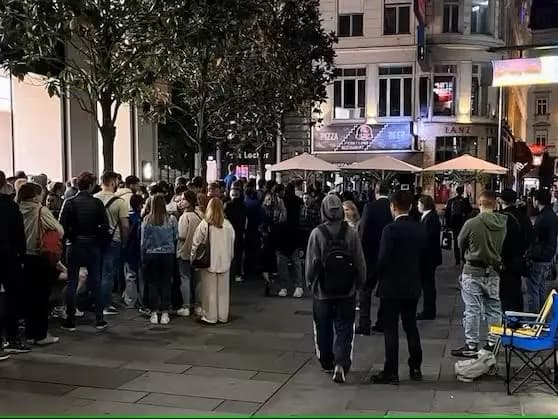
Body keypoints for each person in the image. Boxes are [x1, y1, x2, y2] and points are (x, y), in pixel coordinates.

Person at [305, 194, 366, 384]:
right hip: (347, 291)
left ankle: (326, 361)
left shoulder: (317, 233)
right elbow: (359, 261)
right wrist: (360, 283)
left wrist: (310, 283)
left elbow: (311, 262)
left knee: (323, 328)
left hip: (322, 291)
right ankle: (341, 362)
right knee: (344, 327)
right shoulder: (351, 233)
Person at [372, 191, 426, 384]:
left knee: (390, 329)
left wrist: (376, 277)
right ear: (411, 206)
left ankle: (391, 370)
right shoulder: (420, 228)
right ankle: (416, 367)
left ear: (393, 206)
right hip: (412, 285)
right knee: (411, 326)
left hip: (391, 286)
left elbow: (383, 258)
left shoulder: (390, 230)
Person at [451, 190, 507, 358]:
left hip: (473, 270)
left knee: (472, 309)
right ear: (495, 204)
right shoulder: (503, 223)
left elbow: (460, 242)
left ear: (480, 203)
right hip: (493, 271)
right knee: (494, 309)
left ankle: (471, 344)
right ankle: (493, 343)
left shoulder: (472, 223)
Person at [59, 172, 109, 331]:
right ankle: (99, 318)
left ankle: (70, 319)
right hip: (93, 245)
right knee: (96, 282)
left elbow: (61, 226)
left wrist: (69, 238)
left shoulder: (69, 202)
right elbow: (105, 226)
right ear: (91, 185)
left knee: (72, 282)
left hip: (74, 245)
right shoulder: (97, 203)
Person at [18, 182, 64, 346]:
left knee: (29, 297)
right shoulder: (40, 210)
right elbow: (59, 230)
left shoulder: (17, 208)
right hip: (40, 256)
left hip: (22, 257)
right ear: (36, 195)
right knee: (41, 297)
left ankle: (30, 333)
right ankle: (41, 335)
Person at [191, 198, 235, 324]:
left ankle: (210, 316)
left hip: (209, 262)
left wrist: (193, 257)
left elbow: (196, 243)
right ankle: (223, 315)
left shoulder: (205, 224)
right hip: (225, 262)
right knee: (223, 292)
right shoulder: (228, 225)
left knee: (209, 291)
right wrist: (230, 258)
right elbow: (232, 244)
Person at [357, 183, 393, 335]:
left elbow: (364, 231)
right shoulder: (393, 207)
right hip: (388, 255)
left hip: (370, 254)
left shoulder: (369, 207)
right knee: (385, 290)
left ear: (376, 192)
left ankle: (364, 324)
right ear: (389, 192)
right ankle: (382, 322)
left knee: (365, 290)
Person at [94, 171, 130, 315]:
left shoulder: (94, 198)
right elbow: (125, 226)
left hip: (95, 241)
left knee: (96, 272)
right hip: (113, 240)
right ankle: (105, 305)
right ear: (113, 182)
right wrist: (124, 241)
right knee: (108, 273)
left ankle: (95, 301)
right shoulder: (119, 202)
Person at [0, 171, 26, 356]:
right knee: (11, 299)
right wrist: (21, 257)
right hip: (8, 258)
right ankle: (12, 338)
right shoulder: (9, 206)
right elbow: (19, 235)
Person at [141, 194, 178, 325]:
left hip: (151, 254)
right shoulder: (171, 219)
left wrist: (143, 256)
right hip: (168, 254)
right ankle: (165, 313)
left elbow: (143, 241)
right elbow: (176, 237)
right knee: (166, 283)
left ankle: (154, 313)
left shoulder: (147, 220)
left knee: (152, 284)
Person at [499, 189, 534, 312]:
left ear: (501, 200)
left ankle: (509, 322)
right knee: (516, 290)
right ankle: (517, 317)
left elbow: (501, 241)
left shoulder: (502, 217)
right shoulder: (523, 217)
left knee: (506, 294)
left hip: (506, 261)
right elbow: (531, 237)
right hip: (520, 259)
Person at [525, 189, 558, 313]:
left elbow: (534, 237)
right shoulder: (552, 215)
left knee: (533, 289)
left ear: (537, 200)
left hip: (538, 256)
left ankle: (535, 318)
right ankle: (542, 317)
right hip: (548, 256)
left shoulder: (542, 217)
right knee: (541, 288)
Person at [177, 190, 204, 317]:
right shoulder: (200, 215)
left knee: (185, 278)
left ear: (190, 201)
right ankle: (198, 305)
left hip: (185, 251)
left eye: (183, 199)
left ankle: (186, 306)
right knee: (198, 280)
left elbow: (182, 235)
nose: (181, 202)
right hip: (198, 252)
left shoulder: (184, 217)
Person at [416, 195, 442, 320]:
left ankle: (429, 310)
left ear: (424, 204)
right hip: (430, 257)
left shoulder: (430, 218)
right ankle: (428, 309)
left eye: (419, 204)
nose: (417, 206)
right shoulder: (429, 217)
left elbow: (427, 239)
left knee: (428, 285)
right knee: (428, 284)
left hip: (428, 257)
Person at [276, 183, 304, 298]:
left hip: (283, 234)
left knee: (282, 262)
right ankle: (298, 286)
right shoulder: (298, 201)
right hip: (295, 233)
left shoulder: (282, 201)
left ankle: (284, 287)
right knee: (296, 262)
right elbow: (301, 217)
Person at [122, 194, 144, 310]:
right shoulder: (144, 217)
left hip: (129, 249)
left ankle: (130, 300)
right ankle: (142, 300)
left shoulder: (128, 217)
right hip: (141, 250)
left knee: (130, 276)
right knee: (141, 276)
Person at [445, 186, 473, 265]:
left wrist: (447, 225)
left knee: (455, 240)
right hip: (463, 223)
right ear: (462, 192)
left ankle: (457, 258)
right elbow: (470, 210)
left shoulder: (451, 201)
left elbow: (447, 213)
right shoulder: (465, 201)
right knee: (464, 240)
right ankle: (463, 258)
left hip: (454, 223)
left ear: (456, 192)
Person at [224, 187, 247, 282]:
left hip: (228, 233)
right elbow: (246, 221)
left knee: (228, 253)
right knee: (238, 255)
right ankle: (238, 274)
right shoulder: (243, 206)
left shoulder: (227, 205)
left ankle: (227, 273)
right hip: (240, 233)